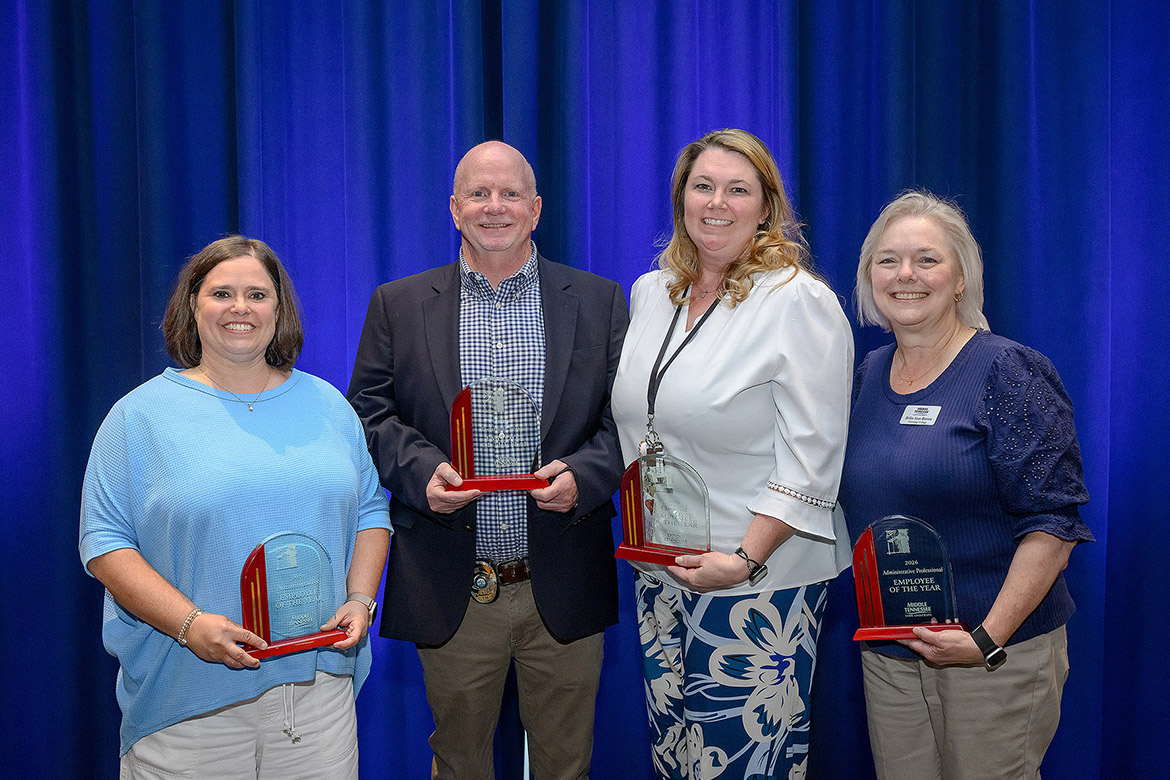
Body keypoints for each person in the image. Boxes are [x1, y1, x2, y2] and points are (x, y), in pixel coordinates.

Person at [347, 140, 628, 780]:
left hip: (563, 574)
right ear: (454, 209)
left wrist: (584, 478)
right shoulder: (399, 303)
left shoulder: (599, 300)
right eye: (478, 193)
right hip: (454, 580)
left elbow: (631, 420)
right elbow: (367, 412)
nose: (493, 207)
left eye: (508, 195)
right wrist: (421, 474)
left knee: (565, 766)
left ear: (535, 209)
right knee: (459, 765)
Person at [79, 236, 391, 779]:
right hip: (189, 707)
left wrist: (361, 600)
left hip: (318, 702)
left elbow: (370, 511)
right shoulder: (138, 416)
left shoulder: (328, 405)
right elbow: (104, 545)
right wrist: (190, 625)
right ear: (192, 306)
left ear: (280, 309)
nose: (240, 308)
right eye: (222, 293)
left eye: (257, 294)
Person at [610, 128, 854, 779]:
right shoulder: (650, 294)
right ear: (681, 199)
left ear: (766, 207)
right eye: (703, 186)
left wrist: (744, 561)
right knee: (678, 758)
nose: (717, 202)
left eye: (737, 189)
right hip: (663, 569)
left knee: (746, 764)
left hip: (758, 580)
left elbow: (813, 461)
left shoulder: (798, 301)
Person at [839, 190, 1093, 780]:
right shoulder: (864, 376)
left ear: (960, 279)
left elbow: (1054, 525)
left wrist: (986, 636)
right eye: (888, 260)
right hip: (891, 652)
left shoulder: (1008, 370)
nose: (906, 275)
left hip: (993, 653)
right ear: (868, 276)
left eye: (927, 259)